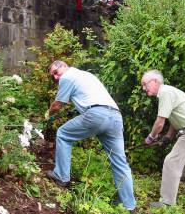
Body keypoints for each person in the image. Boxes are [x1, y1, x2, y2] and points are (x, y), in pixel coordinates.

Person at [46, 60, 136, 212]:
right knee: (119, 161)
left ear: (65, 66)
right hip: (115, 116)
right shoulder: (86, 75)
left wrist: (47, 114)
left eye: (56, 72)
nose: (55, 78)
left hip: (97, 114)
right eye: (53, 76)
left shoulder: (67, 77)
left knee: (63, 133)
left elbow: (57, 105)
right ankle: (129, 206)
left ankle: (61, 176)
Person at [141, 70, 185, 207]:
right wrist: (168, 137)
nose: (143, 88)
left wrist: (151, 137)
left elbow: (159, 122)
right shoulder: (167, 92)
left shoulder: (165, 93)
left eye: (145, 84)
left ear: (155, 82)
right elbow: (174, 117)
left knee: (171, 162)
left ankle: (167, 203)